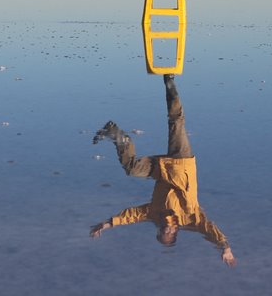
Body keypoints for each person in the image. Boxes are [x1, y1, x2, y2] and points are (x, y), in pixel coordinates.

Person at [89, 74, 237, 267]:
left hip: (161, 169)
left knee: (132, 168)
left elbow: (132, 215)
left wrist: (108, 223)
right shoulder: (191, 218)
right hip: (182, 161)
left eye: (162, 233)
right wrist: (225, 247)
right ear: (175, 231)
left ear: (158, 231)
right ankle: (170, 83)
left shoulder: (154, 214)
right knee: (176, 122)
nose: (166, 231)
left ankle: (114, 132)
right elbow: (209, 230)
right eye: (169, 234)